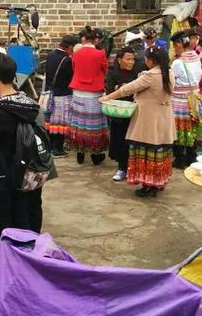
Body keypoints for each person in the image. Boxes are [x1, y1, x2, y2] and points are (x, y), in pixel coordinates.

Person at [0, 54, 43, 295]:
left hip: (1, 177)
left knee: (3, 229)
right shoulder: (29, 102)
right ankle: (27, 273)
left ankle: (3, 279)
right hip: (27, 174)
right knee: (24, 223)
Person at [100, 45, 175, 197]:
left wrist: (106, 98)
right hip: (164, 118)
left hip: (148, 120)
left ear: (151, 61)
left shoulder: (150, 76)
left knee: (147, 151)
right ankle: (158, 182)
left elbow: (126, 89)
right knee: (159, 151)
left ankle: (148, 185)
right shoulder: (169, 73)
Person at [68, 25, 109, 165]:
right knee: (94, 125)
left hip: (78, 92)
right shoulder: (100, 54)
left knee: (79, 123)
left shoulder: (76, 53)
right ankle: (95, 155)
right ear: (95, 40)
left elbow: (74, 68)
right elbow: (105, 70)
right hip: (94, 93)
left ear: (83, 39)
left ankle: (80, 153)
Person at [104, 46, 144, 181]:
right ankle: (122, 168)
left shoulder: (139, 72)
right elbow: (110, 91)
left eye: (133, 59)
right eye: (128, 59)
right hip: (119, 114)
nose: (131, 62)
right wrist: (126, 88)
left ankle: (135, 169)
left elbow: (141, 89)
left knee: (135, 142)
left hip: (136, 112)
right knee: (120, 140)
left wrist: (120, 87)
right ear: (120, 60)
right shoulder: (112, 73)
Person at [171, 31, 202, 169]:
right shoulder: (196, 57)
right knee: (191, 128)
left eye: (174, 45)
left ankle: (179, 158)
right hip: (194, 99)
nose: (174, 49)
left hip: (180, 101)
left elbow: (172, 81)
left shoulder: (177, 63)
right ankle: (191, 156)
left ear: (179, 44)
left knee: (179, 129)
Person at [43, 35, 78, 157]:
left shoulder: (50, 55)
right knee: (60, 123)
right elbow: (71, 78)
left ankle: (50, 147)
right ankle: (57, 149)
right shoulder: (67, 60)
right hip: (63, 95)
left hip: (50, 94)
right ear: (70, 47)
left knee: (51, 122)